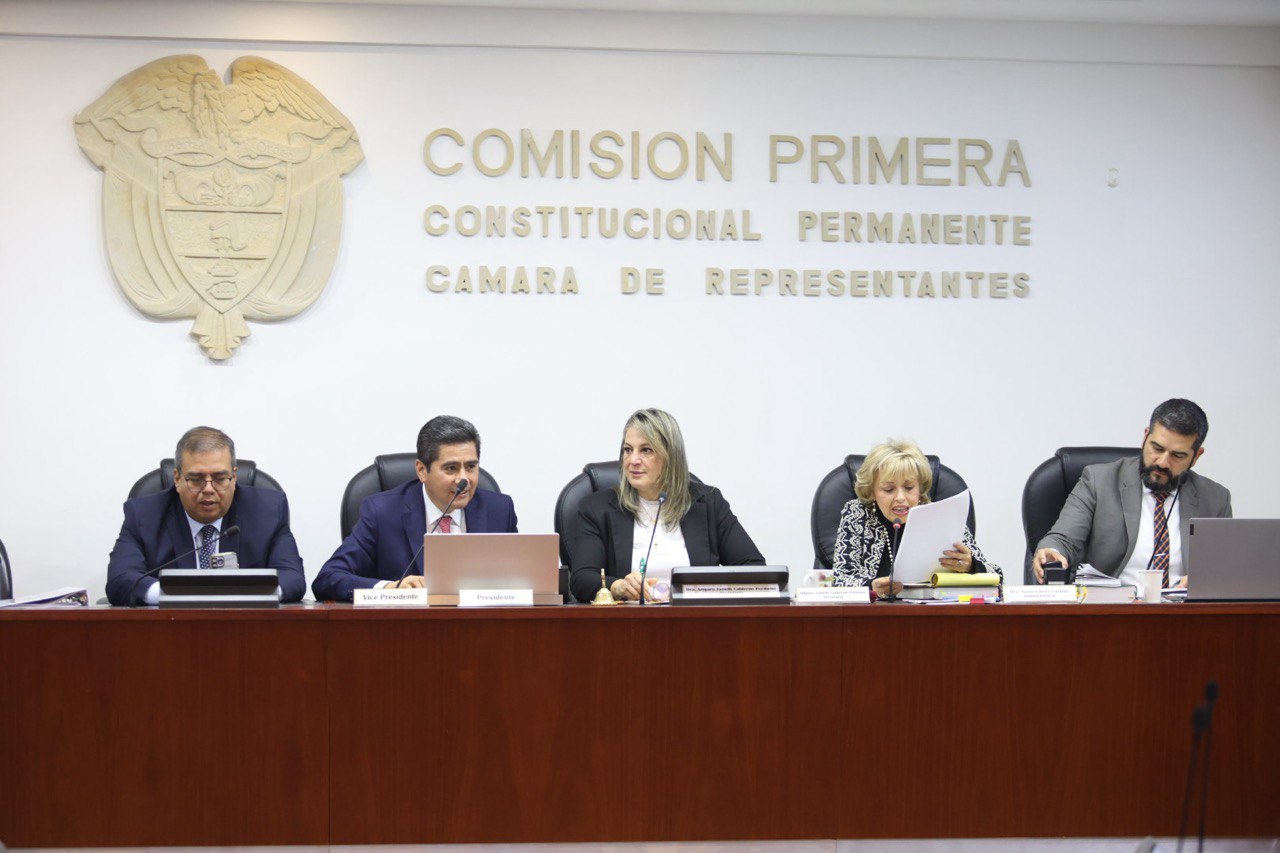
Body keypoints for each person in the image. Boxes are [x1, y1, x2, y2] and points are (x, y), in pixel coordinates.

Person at [311, 415, 518, 601]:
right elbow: (328, 579)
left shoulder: (499, 510)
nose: (464, 479)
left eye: (471, 467)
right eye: (451, 468)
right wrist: (390, 588)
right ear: (421, 471)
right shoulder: (382, 513)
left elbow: (521, 580)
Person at [569, 408, 765, 603]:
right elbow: (582, 579)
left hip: (695, 617)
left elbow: (754, 569)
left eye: (646, 450)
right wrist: (618, 586)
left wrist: (709, 590)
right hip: (630, 619)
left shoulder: (708, 503)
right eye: (628, 450)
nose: (633, 460)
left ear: (670, 456)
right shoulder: (597, 508)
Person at [1033, 398, 1231, 587]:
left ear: (1196, 456)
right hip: (1112, 607)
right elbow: (1062, 539)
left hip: (1184, 609)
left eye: (1178, 455)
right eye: (1157, 448)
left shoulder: (1216, 500)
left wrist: (1211, 579)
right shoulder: (1098, 481)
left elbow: (1223, 568)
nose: (1163, 462)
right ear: (1145, 437)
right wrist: (1051, 551)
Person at [105, 426, 306, 606]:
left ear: (234, 477)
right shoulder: (143, 516)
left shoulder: (268, 511)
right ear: (177, 478)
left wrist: (246, 593)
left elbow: (292, 578)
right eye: (196, 479)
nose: (208, 489)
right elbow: (120, 579)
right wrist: (178, 595)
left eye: (220, 478)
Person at [830, 439, 1000, 597]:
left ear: (920, 489)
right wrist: (870, 587)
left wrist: (972, 566)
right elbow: (840, 580)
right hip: (874, 616)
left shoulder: (942, 516)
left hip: (936, 615)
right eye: (889, 489)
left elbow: (998, 578)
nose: (900, 497)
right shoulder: (858, 514)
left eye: (909, 487)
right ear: (872, 491)